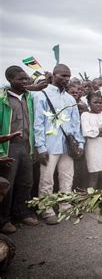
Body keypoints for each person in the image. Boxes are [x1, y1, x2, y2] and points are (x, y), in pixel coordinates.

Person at [33, 64, 85, 225]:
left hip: (67, 145)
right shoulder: (41, 96)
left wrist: (80, 144)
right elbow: (38, 124)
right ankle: (46, 210)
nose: (66, 79)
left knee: (67, 177)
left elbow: (75, 124)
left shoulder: (70, 98)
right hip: (49, 145)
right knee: (47, 179)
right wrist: (40, 147)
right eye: (63, 76)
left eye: (68, 76)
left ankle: (65, 206)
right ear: (54, 75)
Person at [0, 66, 39, 233]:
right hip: (9, 146)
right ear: (10, 80)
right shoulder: (3, 98)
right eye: (20, 79)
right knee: (8, 183)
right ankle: (4, 220)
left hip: (26, 145)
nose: (25, 81)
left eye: (26, 79)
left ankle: (22, 213)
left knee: (26, 182)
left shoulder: (29, 97)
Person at [81, 92, 102, 189]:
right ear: (89, 103)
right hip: (93, 147)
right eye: (95, 102)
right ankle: (91, 198)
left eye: (100, 103)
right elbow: (87, 132)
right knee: (94, 173)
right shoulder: (85, 115)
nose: (98, 105)